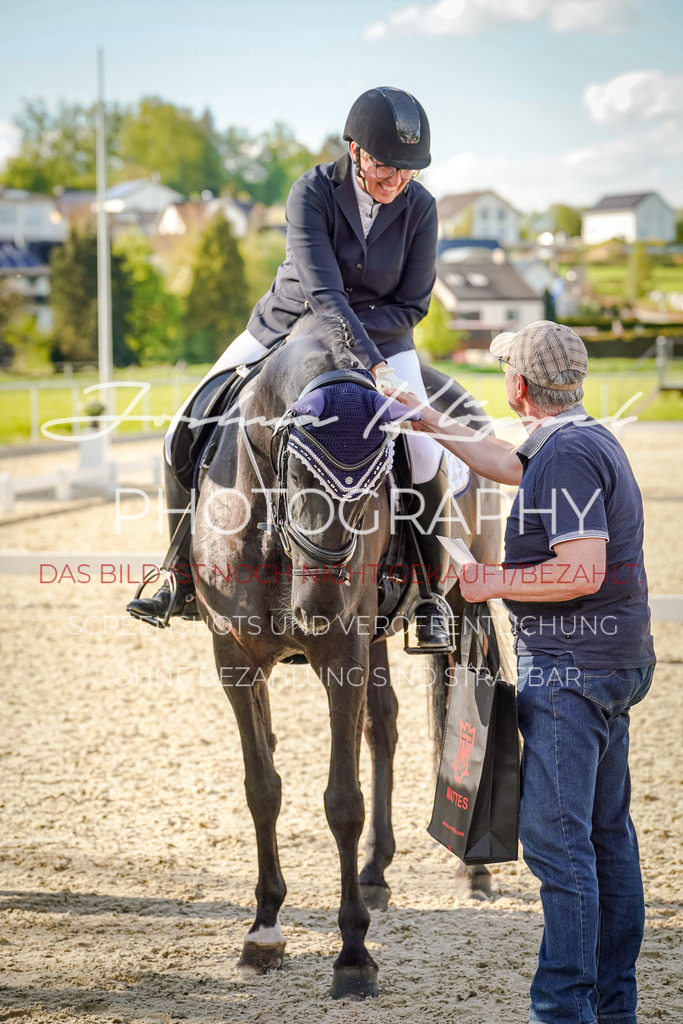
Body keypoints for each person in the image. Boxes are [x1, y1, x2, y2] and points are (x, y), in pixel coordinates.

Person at [387, 320, 656, 1024]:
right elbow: (504, 464)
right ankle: (609, 1005)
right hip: (607, 661)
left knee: (559, 845)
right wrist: (425, 419)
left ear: (517, 386)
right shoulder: (576, 440)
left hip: (571, 670)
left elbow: (580, 568)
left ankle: (563, 1011)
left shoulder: (563, 457)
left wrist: (485, 580)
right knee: (603, 837)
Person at [128, 86, 455, 649]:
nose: (395, 181)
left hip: (384, 336)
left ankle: (427, 595)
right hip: (286, 328)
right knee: (183, 426)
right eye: (384, 166)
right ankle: (178, 571)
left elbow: (415, 303)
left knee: (425, 451)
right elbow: (323, 293)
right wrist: (369, 368)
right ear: (353, 149)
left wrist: (372, 359)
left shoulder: (421, 209)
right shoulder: (311, 193)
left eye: (407, 171)